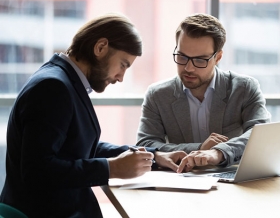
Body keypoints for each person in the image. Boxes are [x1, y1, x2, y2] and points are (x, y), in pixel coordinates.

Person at [0, 13, 187, 218]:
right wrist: (110, 169)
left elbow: (76, 146)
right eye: (123, 65)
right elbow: (37, 171)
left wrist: (153, 156)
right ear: (100, 47)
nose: (121, 77)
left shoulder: (64, 80)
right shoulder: (53, 87)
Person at [136, 13, 271, 173]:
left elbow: (261, 135)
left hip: (233, 183)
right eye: (182, 57)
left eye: (200, 60)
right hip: (180, 184)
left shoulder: (244, 88)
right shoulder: (158, 95)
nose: (188, 68)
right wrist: (199, 148)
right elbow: (146, 145)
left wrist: (217, 153)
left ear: (218, 57)